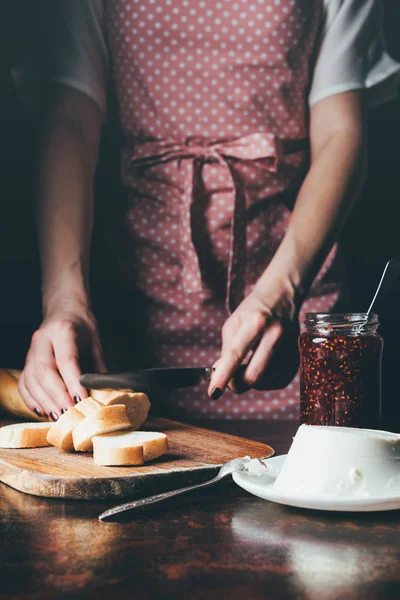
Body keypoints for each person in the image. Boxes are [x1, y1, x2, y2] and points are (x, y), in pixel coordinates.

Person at [13, 0, 400, 422]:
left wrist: (281, 294)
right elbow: (70, 124)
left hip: (288, 317)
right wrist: (65, 302)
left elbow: (340, 132)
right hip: (124, 327)